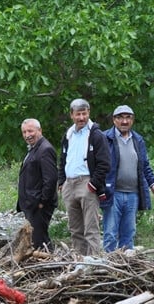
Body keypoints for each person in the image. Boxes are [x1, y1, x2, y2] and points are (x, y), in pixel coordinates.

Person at [100, 105, 154, 252]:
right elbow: (96, 164)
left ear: (132, 120)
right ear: (114, 120)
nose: (124, 121)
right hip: (112, 192)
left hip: (133, 194)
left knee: (129, 233)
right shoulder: (105, 138)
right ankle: (108, 266)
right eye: (120, 117)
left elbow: (144, 165)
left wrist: (153, 184)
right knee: (110, 232)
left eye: (128, 117)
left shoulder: (138, 140)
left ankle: (127, 266)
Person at [56, 98, 109, 256]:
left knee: (91, 228)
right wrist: (61, 181)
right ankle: (79, 260)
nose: (81, 118)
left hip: (87, 182)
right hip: (69, 184)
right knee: (75, 227)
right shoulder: (68, 134)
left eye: (84, 114)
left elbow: (105, 163)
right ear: (71, 115)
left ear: (88, 113)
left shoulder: (96, 135)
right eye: (78, 114)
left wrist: (93, 184)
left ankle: (93, 262)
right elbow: (63, 160)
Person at [16, 119, 58, 252]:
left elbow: (50, 179)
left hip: (39, 205)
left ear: (39, 131)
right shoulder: (33, 149)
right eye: (24, 132)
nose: (27, 135)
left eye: (30, 131)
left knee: (40, 240)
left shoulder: (45, 149)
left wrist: (42, 202)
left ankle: (51, 265)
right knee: (36, 239)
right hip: (31, 204)